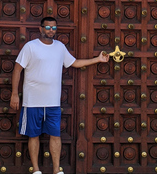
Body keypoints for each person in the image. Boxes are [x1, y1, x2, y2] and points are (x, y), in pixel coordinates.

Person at [10, 17, 109, 174]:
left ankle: (57, 170)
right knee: (33, 135)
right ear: (41, 29)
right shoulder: (30, 47)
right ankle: (36, 170)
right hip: (32, 101)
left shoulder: (60, 47)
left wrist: (97, 59)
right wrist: (15, 94)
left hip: (53, 102)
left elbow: (75, 63)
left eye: (54, 28)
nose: (51, 31)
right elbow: (17, 70)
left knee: (55, 135)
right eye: (48, 27)